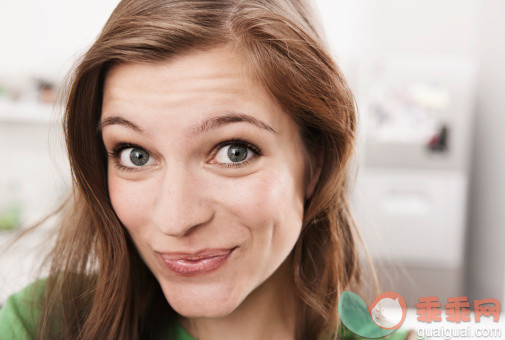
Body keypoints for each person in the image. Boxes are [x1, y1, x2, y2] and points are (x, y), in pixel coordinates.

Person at [0, 0, 412, 339]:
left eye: (234, 152)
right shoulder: (43, 325)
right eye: (135, 155)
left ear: (315, 161)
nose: (174, 220)